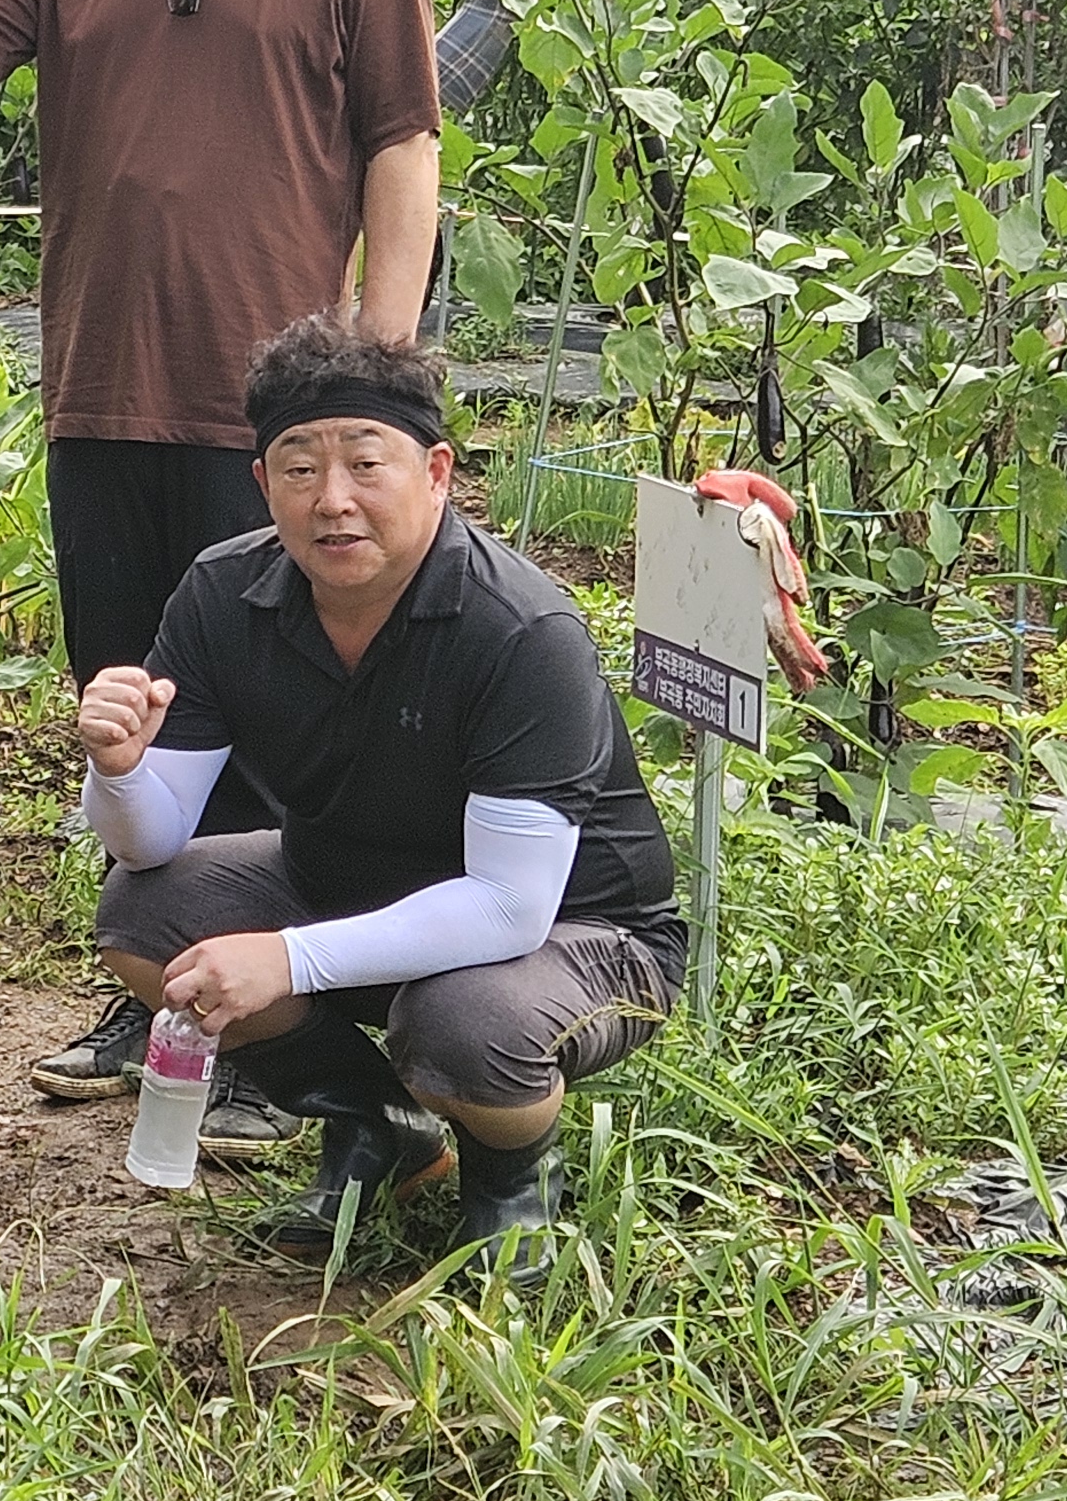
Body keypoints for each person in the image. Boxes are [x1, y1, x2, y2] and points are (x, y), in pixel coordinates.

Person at [0, 0, 442, 1149]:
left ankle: (271, 1031)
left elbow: (403, 143)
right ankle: (152, 990)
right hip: (102, 390)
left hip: (276, 423)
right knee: (127, 705)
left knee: (278, 722)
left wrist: (372, 379)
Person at [75, 316, 683, 1282]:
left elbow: (507, 906)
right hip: (351, 879)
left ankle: (511, 1173)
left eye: (366, 464)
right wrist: (117, 769)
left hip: (580, 932)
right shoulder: (225, 593)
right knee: (146, 915)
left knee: (460, 1020)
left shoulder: (520, 631)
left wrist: (286, 957)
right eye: (300, 468)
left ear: (437, 473)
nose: (333, 500)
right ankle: (379, 1126)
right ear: (262, 482)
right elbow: (150, 842)